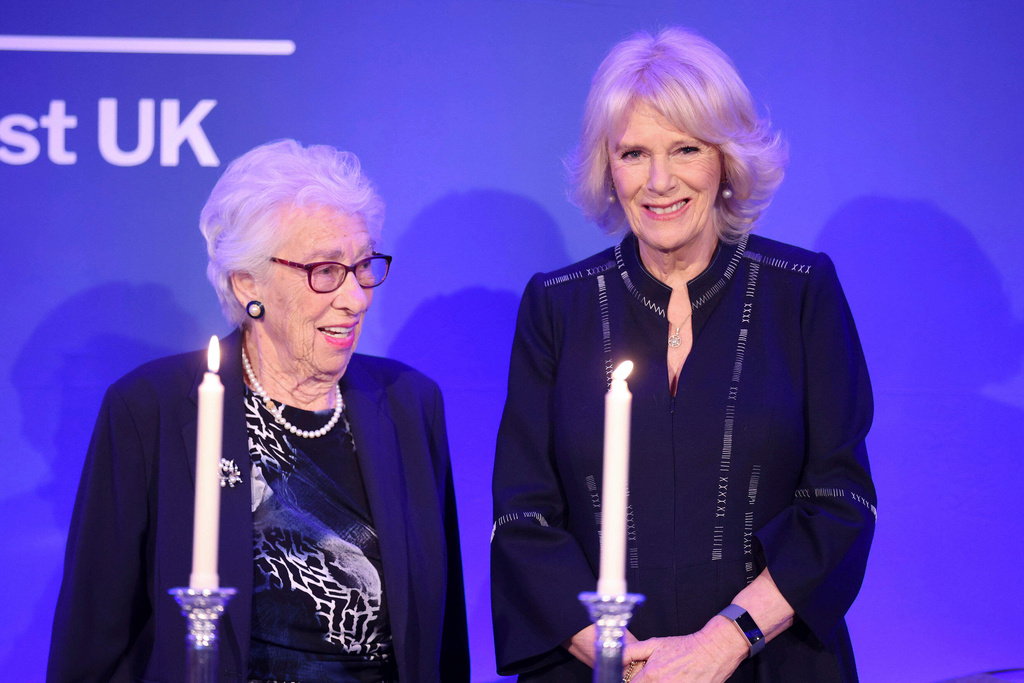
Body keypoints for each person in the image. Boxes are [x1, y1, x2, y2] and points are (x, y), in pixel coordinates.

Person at [491, 28, 875, 682]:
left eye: (685, 148)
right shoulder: (556, 306)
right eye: (634, 152)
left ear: (727, 158)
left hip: (771, 663)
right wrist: (625, 658)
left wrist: (723, 642)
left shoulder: (801, 290)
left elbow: (841, 502)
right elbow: (522, 517)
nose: (658, 181)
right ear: (606, 166)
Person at [48, 140, 469, 682]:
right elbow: (94, 639)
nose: (356, 297)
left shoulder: (411, 404)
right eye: (325, 270)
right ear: (248, 282)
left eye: (363, 266)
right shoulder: (150, 409)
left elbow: (445, 642)